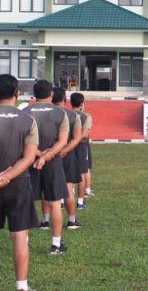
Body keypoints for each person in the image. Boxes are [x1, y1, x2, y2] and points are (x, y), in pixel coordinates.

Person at [0, 74, 39, 291]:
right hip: (18, 183)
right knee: (19, 236)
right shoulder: (27, 121)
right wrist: (4, 179)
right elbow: (28, 158)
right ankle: (21, 286)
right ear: (16, 93)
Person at [23, 80, 69, 255]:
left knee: (26, 203)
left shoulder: (25, 112)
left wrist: (38, 154)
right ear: (51, 94)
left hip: (28, 161)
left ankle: (24, 243)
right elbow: (62, 141)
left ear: (34, 94)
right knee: (55, 203)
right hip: (53, 162)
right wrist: (46, 157)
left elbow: (22, 140)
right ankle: (56, 244)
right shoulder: (60, 113)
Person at [49, 87, 82, 229]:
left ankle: (45, 220)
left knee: (48, 188)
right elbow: (77, 137)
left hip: (49, 154)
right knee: (68, 188)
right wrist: (65, 150)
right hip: (67, 155)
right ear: (65, 99)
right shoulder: (73, 115)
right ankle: (72, 220)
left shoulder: (47, 114)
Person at [70, 92, 93, 210]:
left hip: (68, 146)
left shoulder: (66, 114)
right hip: (81, 146)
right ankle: (80, 202)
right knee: (82, 173)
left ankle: (63, 201)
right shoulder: (86, 116)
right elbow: (85, 134)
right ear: (82, 103)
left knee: (68, 173)